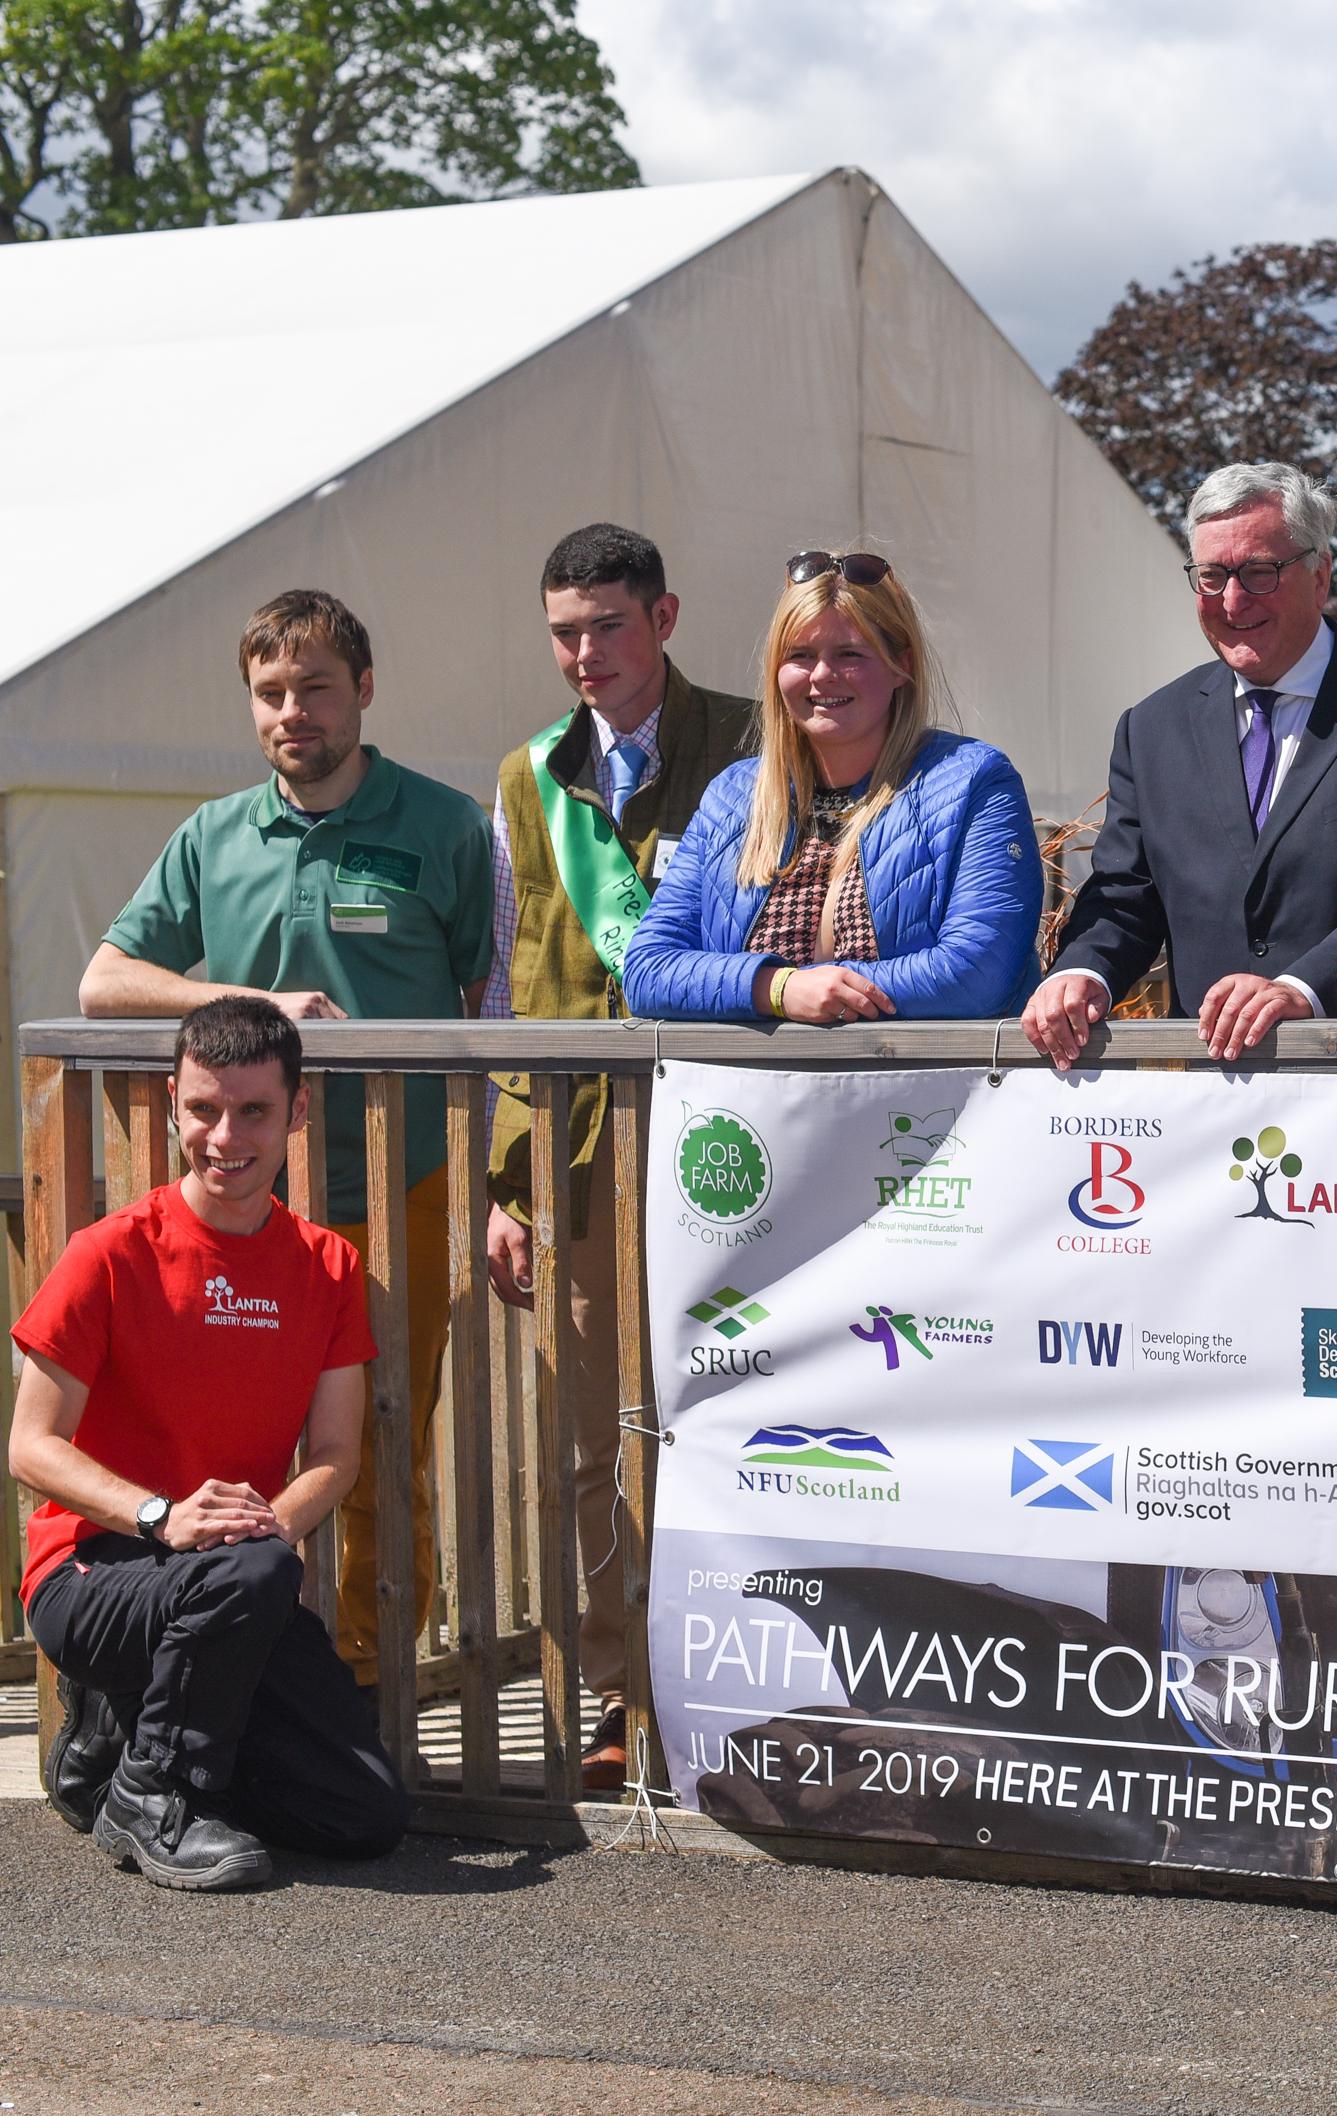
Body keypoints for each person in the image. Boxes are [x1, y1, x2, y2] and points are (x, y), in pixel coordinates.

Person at [80, 589, 490, 1689]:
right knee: (226, 1435)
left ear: (364, 688)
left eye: (314, 687)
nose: (291, 712)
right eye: (270, 693)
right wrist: (252, 1001)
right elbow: (103, 980)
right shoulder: (211, 834)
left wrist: (496, 1182)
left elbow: (492, 1004)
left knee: (381, 1442)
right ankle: (234, 1654)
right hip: (245, 1199)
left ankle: (364, 1677)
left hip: (401, 1184)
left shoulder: (446, 824)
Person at [12, 998, 407, 1890]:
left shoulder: (328, 1266)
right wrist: (162, 1518)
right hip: (96, 1572)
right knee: (255, 1576)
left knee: (364, 1816)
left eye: (254, 1111)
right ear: (174, 1103)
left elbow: (336, 1456)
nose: (225, 1136)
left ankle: (123, 1743)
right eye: (203, 1110)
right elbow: (30, 1448)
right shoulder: (107, 1252)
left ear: (297, 1113)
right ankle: (149, 1803)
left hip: (236, 1573)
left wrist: (266, 1523)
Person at [482, 524, 756, 1789]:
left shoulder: (758, 737)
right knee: (595, 1436)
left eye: (605, 625)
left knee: (751, 1419)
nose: (583, 654)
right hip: (583, 1146)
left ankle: (740, 1680)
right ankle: (611, 1697)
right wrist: (505, 1177)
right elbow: (520, 972)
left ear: (664, 617)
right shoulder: (527, 775)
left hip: (741, 1142)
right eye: (563, 631)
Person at [1022, 463, 1337, 1065]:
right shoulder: (1152, 729)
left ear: (1320, 576)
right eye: (1211, 576)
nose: (1232, 600)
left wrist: (1301, 988)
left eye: (1259, 572)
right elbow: (1124, 897)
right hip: (1212, 1098)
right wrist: (1081, 975)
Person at [622, 551, 1040, 1021]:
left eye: (850, 654)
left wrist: (828, 991)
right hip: (751, 1095)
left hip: (927, 1093)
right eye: (800, 655)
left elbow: (979, 974)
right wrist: (778, 988)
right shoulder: (731, 797)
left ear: (901, 664)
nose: (822, 675)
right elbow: (647, 971)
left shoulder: (973, 781)